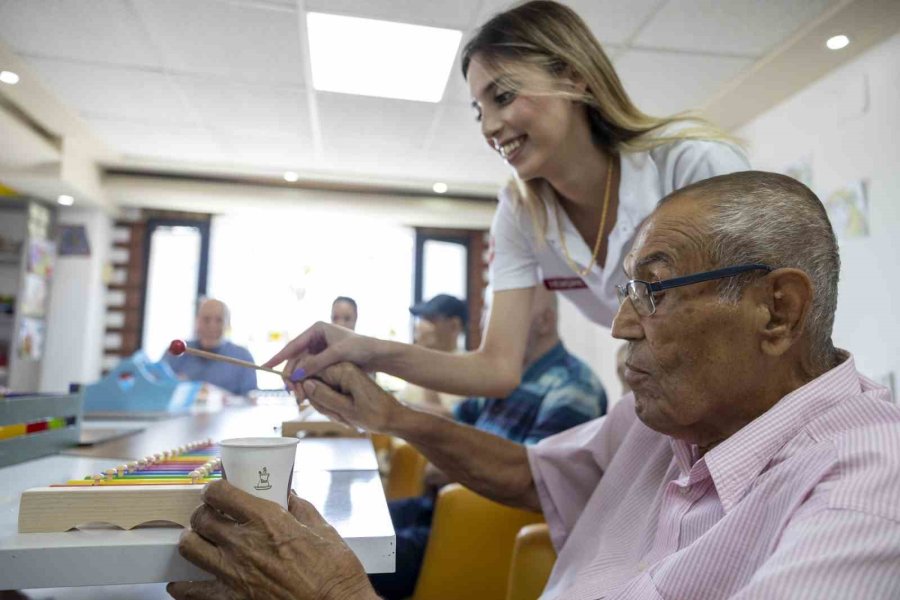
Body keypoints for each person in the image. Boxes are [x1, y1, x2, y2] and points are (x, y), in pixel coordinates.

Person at [169, 172, 900, 600]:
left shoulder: (866, 484)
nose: (618, 326)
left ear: (777, 311)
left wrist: (336, 593)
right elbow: (534, 473)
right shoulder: (667, 419)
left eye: (652, 291)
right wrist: (390, 414)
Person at [264, 0, 750, 400]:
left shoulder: (693, 166)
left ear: (575, 76)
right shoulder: (521, 214)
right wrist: (363, 349)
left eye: (504, 96)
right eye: (479, 109)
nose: (489, 127)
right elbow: (497, 369)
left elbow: (754, 323)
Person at [372, 286, 607, 599]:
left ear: (545, 322)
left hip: (477, 531)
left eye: (500, 314)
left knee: (344, 559)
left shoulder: (573, 387)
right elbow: (453, 422)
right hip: (439, 510)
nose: (486, 325)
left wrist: (447, 468)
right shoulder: (504, 379)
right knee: (345, 529)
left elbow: (538, 483)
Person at [163, 298, 256, 396]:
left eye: (219, 320)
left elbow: (250, 399)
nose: (212, 326)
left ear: (228, 324)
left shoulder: (243, 358)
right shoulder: (177, 352)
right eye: (206, 319)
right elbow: (158, 387)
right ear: (197, 321)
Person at [400, 294, 467, 411]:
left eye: (431, 319)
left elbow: (447, 420)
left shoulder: (468, 368)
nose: (421, 326)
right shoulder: (416, 366)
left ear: (454, 326)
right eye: (422, 319)